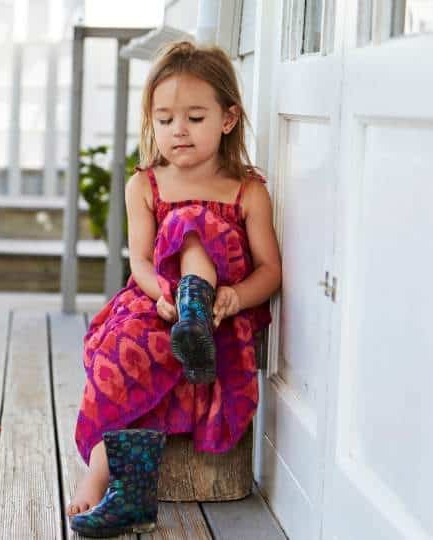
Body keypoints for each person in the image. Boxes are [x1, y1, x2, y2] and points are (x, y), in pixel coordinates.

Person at [67, 40, 283, 537]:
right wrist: (163, 297)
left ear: (228, 119)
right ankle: (112, 480)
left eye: (194, 117)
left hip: (220, 312)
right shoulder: (145, 184)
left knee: (193, 223)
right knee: (121, 351)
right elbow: (140, 261)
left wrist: (235, 297)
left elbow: (270, 269)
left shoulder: (247, 189)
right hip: (159, 301)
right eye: (164, 120)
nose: (177, 130)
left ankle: (197, 304)